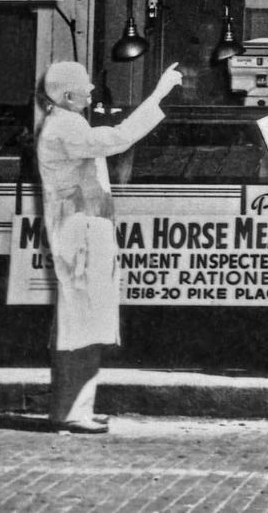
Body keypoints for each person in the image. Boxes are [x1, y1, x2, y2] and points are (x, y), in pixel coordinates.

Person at [37, 59, 182, 433]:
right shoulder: (65, 127)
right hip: (79, 235)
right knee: (79, 324)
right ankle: (70, 412)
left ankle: (78, 406)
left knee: (88, 322)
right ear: (68, 96)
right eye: (85, 85)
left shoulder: (70, 122)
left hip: (85, 232)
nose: (91, 89)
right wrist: (159, 95)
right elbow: (119, 137)